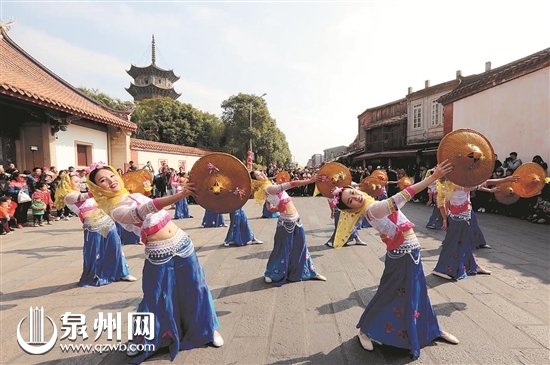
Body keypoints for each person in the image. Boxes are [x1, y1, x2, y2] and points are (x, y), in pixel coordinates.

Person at [86, 163, 223, 362]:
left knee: (197, 287)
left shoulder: (134, 194)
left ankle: (208, 329)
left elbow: (157, 205)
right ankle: (142, 338)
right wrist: (180, 195)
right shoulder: (115, 209)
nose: (110, 181)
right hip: (158, 251)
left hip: (183, 242)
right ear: (98, 188)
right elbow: (145, 210)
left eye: (111, 175)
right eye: (102, 180)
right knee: (155, 296)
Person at [331, 160, 459, 359]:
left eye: (353, 193)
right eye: (350, 201)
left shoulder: (371, 204)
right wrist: (432, 178)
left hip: (411, 252)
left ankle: (433, 329)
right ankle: (365, 330)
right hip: (401, 257)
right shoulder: (373, 210)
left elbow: (379, 189)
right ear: (351, 209)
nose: (355, 197)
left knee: (419, 293)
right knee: (389, 294)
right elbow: (403, 196)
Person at [432, 173, 519, 280]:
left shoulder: (448, 184)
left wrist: (445, 218)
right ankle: (441, 269)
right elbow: (485, 182)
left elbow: (442, 203)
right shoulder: (460, 185)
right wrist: (505, 179)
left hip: (457, 218)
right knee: (454, 246)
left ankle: (473, 265)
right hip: (460, 220)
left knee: (464, 244)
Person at [55, 173, 136, 287]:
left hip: (107, 222)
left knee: (116, 248)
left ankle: (122, 273)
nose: (79, 184)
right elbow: (83, 197)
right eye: (76, 181)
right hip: (93, 226)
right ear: (67, 183)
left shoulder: (82, 194)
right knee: (95, 252)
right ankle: (94, 275)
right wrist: (101, 188)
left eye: (80, 181)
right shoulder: (69, 197)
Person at [250, 169, 326, 285]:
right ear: (256, 180)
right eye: (259, 175)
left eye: (261, 172)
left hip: (296, 219)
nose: (263, 174)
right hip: (286, 223)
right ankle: (271, 273)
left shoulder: (269, 187)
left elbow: (271, 208)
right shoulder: (269, 188)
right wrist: (310, 180)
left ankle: (311, 271)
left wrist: (278, 206)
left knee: (301, 246)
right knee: (281, 249)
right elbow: (292, 184)